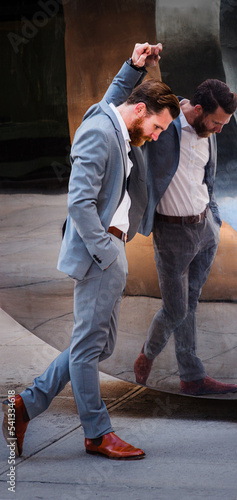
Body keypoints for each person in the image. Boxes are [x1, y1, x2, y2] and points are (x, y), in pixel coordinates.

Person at [2, 42, 180, 459]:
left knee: (97, 345)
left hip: (111, 250)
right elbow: (79, 203)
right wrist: (107, 254)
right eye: (157, 128)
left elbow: (119, 94)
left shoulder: (115, 116)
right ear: (140, 112)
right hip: (99, 254)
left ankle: (25, 405)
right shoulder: (100, 133)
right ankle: (97, 433)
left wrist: (134, 66)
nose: (155, 137)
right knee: (87, 349)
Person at [105, 63, 237, 395]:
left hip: (205, 230)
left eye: (224, 124)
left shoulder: (211, 133)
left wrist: (215, 218)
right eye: (216, 122)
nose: (220, 130)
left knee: (190, 304)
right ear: (196, 110)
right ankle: (148, 355)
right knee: (177, 308)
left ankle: (191, 376)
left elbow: (209, 179)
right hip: (172, 235)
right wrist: (148, 68)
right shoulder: (163, 128)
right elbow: (149, 99)